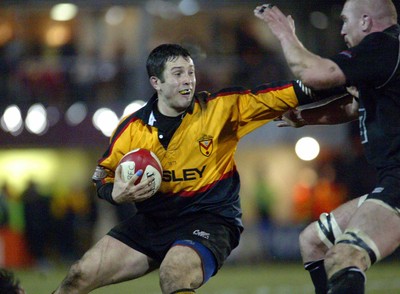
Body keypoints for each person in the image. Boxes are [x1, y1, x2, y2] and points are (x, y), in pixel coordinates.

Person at [53, 43, 322, 294]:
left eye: (191, 72)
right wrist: (114, 193)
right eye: (178, 73)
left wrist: (341, 79)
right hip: (153, 223)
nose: (188, 80)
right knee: (78, 275)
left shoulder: (220, 109)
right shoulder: (132, 128)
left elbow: (287, 93)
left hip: (211, 220)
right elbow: (101, 173)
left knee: (174, 274)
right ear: (156, 83)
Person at [255, 1, 400, 293]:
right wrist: (306, 117)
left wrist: (285, 34)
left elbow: (316, 74)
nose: (342, 29)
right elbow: (353, 105)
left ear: (366, 22)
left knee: (345, 256)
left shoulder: (382, 46)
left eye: (345, 21)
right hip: (390, 178)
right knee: (314, 241)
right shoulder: (382, 57)